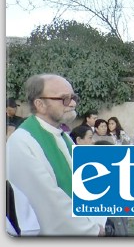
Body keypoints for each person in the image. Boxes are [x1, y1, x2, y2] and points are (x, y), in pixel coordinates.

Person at [6, 74, 104, 235]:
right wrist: (92, 230)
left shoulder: (64, 136)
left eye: (73, 97)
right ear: (40, 104)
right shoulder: (22, 142)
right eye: (64, 98)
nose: (72, 103)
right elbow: (49, 203)